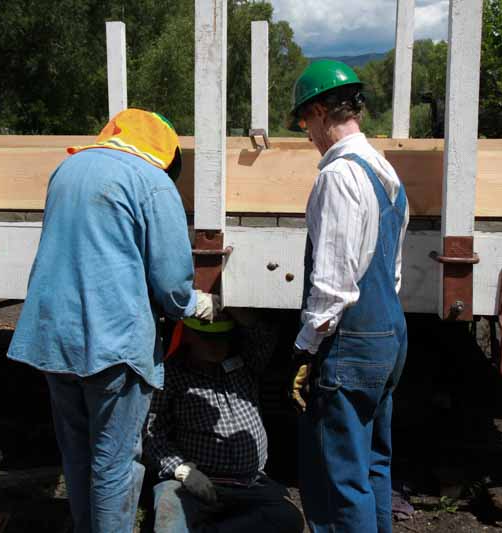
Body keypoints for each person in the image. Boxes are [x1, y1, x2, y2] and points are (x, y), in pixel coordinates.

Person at [7, 108, 218, 533]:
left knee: (78, 455)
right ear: (164, 153)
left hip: (53, 338)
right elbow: (171, 280)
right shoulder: (153, 182)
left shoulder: (68, 168)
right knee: (115, 464)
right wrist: (193, 302)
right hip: (111, 341)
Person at [287, 60, 409, 533]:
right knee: (373, 465)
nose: (306, 134)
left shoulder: (338, 175)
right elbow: (391, 271)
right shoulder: (383, 170)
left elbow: (334, 284)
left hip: (351, 343)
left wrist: (304, 347)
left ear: (321, 111)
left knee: (338, 479)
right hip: (387, 333)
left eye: (304, 121)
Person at [145, 313, 303, 533]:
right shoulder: (171, 374)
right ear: (188, 334)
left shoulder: (245, 362)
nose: (216, 345)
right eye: (207, 338)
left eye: (221, 337)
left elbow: (265, 336)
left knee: (288, 517)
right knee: (168, 511)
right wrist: (180, 469)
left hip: (250, 483)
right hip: (196, 482)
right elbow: (153, 432)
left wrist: (242, 314)